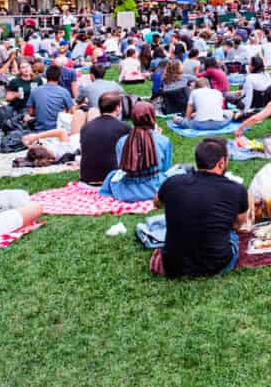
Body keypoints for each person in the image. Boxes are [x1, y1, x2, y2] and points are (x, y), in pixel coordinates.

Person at [154, 138, 249, 277]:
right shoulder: (237, 189)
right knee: (232, 236)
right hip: (217, 264)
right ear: (221, 163)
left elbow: (157, 203)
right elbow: (237, 225)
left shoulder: (173, 182)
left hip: (173, 265)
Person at [99, 102, 172, 202]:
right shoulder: (163, 140)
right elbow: (165, 169)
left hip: (125, 192)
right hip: (155, 189)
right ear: (152, 117)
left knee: (112, 174)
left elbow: (121, 169)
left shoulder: (122, 141)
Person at [78, 91, 131, 186]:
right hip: (113, 178)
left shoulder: (86, 127)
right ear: (117, 108)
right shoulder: (124, 128)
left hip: (86, 177)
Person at [27, 64, 75, 132]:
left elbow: (30, 111)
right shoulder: (64, 92)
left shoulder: (35, 91)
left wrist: (40, 111)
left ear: (46, 76)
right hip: (58, 130)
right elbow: (72, 111)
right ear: (59, 77)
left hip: (39, 130)